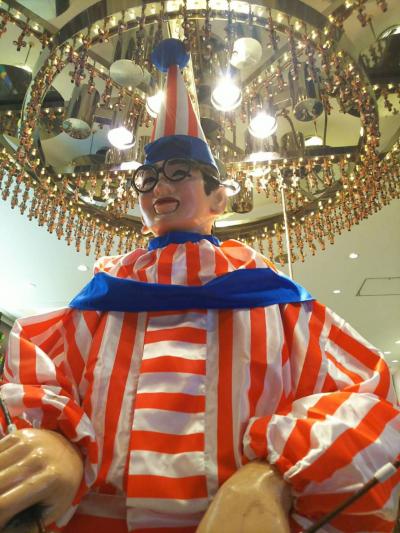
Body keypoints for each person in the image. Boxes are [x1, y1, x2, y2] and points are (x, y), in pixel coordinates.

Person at [0, 39, 399, 533]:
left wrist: (273, 477)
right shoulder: (98, 303)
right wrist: (52, 438)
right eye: (148, 178)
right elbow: (37, 380)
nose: (159, 187)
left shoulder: (276, 303)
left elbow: (370, 402)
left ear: (219, 200)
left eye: (179, 172)